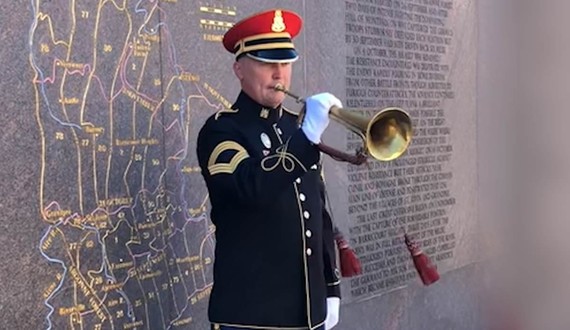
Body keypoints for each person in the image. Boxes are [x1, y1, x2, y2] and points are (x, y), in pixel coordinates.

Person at [196, 8, 343, 330]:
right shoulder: (222, 131)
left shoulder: (296, 127)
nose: (279, 73)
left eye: (285, 62)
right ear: (239, 69)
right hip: (252, 319)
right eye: (266, 63)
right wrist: (306, 140)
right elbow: (249, 190)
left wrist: (330, 287)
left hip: (310, 315)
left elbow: (317, 212)